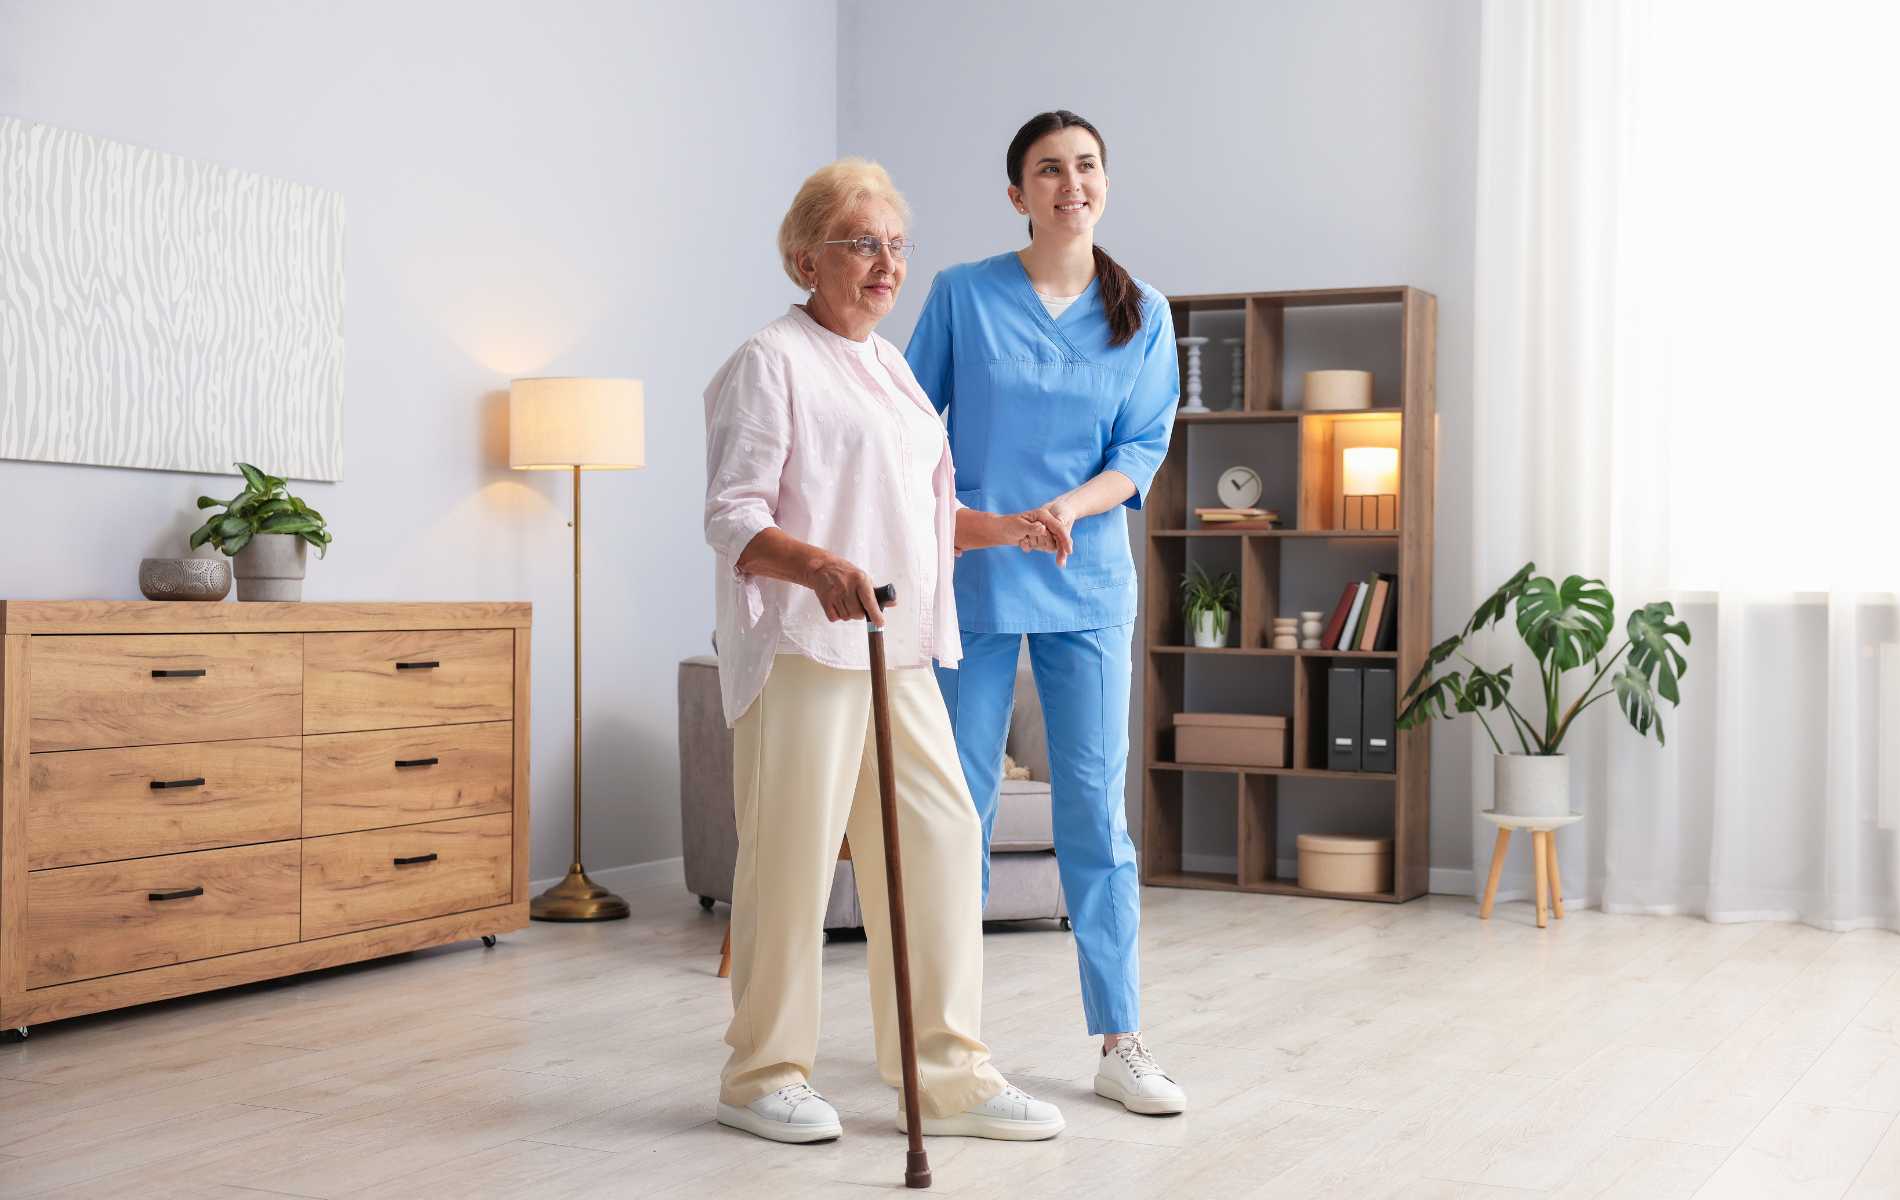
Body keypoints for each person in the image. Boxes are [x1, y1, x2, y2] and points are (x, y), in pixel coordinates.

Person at [703, 157, 1065, 1145]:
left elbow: (921, 512)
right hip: (805, 650)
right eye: (863, 243)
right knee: (793, 858)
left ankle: (945, 1075)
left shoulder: (890, 368)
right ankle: (761, 1076)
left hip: (897, 646)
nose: (886, 264)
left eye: (897, 246)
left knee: (944, 838)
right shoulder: (769, 361)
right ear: (803, 256)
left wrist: (1008, 528)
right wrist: (814, 564)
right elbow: (733, 516)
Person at [905, 111, 1188, 1115]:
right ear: (1016, 192)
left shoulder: (1141, 311)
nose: (1070, 184)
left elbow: (1140, 450)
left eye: (1085, 167)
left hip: (1087, 577)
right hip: (976, 572)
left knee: (1094, 814)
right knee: (958, 810)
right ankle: (948, 1042)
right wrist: (979, 521)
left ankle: (1120, 1040)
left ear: (1104, 181)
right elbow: (907, 429)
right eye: (1047, 170)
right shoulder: (961, 296)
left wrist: (1067, 507)